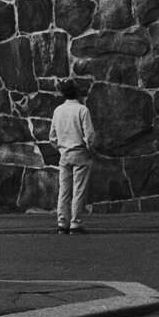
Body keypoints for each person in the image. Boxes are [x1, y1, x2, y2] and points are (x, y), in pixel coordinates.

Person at [49, 78, 96, 234]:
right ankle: (76, 223)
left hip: (64, 154)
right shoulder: (82, 110)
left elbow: (52, 137)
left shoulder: (58, 111)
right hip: (80, 152)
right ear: (77, 92)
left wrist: (61, 149)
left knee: (64, 190)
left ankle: (62, 222)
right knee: (79, 189)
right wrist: (90, 148)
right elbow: (89, 135)